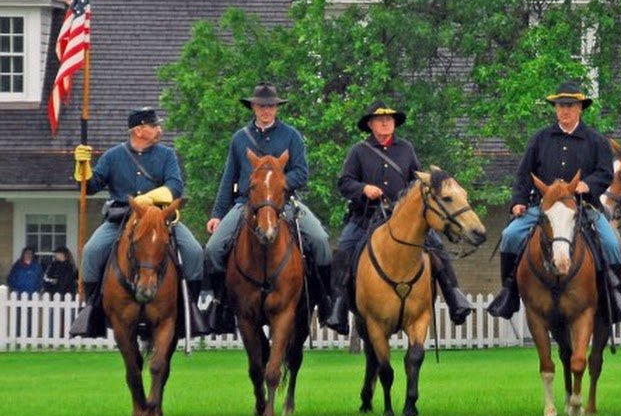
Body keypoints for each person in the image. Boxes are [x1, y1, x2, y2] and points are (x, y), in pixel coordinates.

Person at [487, 81, 621, 321]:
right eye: (560, 105)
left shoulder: (596, 140)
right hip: (544, 207)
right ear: (555, 109)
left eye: (570, 106)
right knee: (510, 236)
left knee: (612, 244)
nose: (565, 110)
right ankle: (509, 292)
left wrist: (588, 185)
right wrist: (518, 202)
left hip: (582, 206)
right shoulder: (540, 138)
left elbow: (606, 173)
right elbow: (523, 174)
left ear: (580, 108)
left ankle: (612, 297)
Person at [332, 101, 474, 333]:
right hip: (367, 217)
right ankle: (337, 308)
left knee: (437, 248)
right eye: (380, 120)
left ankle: (455, 298)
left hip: (403, 219)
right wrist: (363, 188)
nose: (385, 123)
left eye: (389, 119)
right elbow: (345, 182)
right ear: (370, 125)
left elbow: (417, 181)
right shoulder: (358, 151)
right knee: (344, 249)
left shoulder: (406, 148)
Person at [204, 83, 333, 329]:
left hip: (284, 202)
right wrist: (217, 214)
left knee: (320, 240)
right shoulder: (239, 139)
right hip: (246, 204)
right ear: (253, 107)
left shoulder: (292, 136)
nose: (266, 110)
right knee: (212, 249)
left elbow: (302, 173)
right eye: (261, 106)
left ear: (276, 108)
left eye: (270, 106)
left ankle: (326, 301)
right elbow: (229, 178)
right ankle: (221, 304)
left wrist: (276, 183)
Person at [68, 107, 205, 337]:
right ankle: (92, 312)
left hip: (159, 219)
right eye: (154, 126)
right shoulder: (113, 156)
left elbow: (175, 187)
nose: (159, 129)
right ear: (139, 130)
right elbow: (90, 187)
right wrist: (82, 166)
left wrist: (148, 198)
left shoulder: (167, 155)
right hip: (121, 219)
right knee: (91, 252)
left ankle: (189, 309)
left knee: (194, 252)